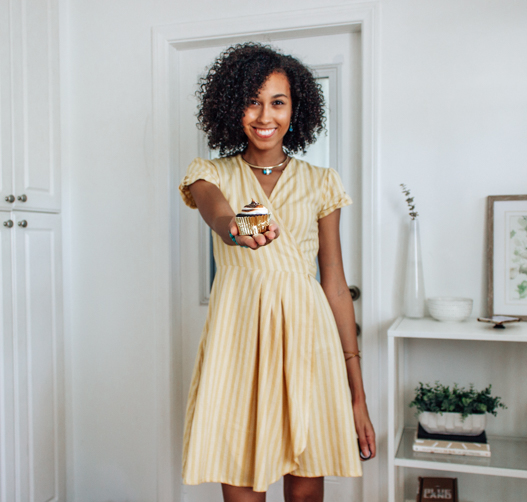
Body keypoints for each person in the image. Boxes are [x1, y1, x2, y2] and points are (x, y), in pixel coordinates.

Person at [178, 42, 375, 502]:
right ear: (232, 106)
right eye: (252, 100)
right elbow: (220, 214)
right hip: (240, 345)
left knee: (306, 494)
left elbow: (335, 285)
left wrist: (358, 394)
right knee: (243, 491)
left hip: (311, 344)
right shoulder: (209, 173)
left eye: (277, 102)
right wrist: (238, 228)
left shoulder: (322, 181)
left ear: (294, 110)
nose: (265, 115)